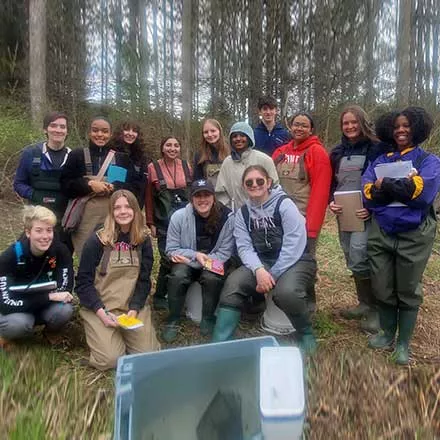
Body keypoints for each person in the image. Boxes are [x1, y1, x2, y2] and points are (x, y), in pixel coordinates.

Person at [362, 107, 440, 365]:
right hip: (382, 232)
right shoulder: (380, 160)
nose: (400, 130)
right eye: (396, 126)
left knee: (407, 289)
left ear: (417, 128)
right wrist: (401, 187)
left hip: (414, 235)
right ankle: (386, 334)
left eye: (406, 125)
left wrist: (386, 186)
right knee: (382, 286)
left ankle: (403, 343)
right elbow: (368, 195)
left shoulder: (428, 161)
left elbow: (421, 197)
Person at [212, 165, 317, 355]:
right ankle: (220, 342)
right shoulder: (242, 214)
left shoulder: (284, 204)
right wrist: (259, 270)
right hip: (262, 262)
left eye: (260, 181)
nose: (255, 185)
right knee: (234, 283)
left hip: (296, 260)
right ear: (244, 186)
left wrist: (272, 274)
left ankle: (306, 333)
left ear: (268, 182)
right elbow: (244, 246)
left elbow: (295, 242)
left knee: (286, 293)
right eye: (249, 182)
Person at [76, 190, 160, 370]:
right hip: (101, 308)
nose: (123, 211)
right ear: (111, 212)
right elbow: (83, 284)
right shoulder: (96, 241)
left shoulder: (143, 240)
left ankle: (126, 338)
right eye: (117, 207)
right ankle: (102, 336)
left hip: (131, 309)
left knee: (149, 356)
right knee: (111, 360)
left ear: (136, 210)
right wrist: (101, 312)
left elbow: (144, 280)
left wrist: (135, 308)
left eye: (128, 207)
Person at [329, 105, 384, 333]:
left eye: (354, 122)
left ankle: (375, 310)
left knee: (362, 255)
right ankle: (363, 303)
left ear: (362, 123)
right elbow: (331, 184)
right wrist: (330, 202)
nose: (350, 127)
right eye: (345, 123)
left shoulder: (376, 148)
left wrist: (371, 207)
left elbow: (382, 181)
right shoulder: (336, 152)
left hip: (365, 213)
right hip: (344, 212)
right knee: (350, 254)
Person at [161, 179, 234, 342]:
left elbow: (225, 252)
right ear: (191, 199)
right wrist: (195, 256)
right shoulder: (178, 217)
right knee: (178, 276)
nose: (202, 200)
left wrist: (200, 262)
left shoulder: (228, 218)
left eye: (206, 195)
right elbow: (171, 249)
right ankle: (173, 318)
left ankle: (207, 317)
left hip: (212, 262)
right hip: (188, 262)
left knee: (212, 277)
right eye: (197, 196)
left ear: (213, 197)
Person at [272, 112, 331, 312]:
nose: (299, 128)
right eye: (296, 124)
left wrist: (311, 227)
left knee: (305, 260)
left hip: (304, 219)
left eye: (304, 126)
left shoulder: (317, 153)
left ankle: (308, 302)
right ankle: (280, 301)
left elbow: (320, 192)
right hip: (279, 219)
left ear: (311, 129)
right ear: (290, 127)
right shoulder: (280, 151)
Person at [61, 116, 138, 261]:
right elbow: (65, 185)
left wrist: (115, 187)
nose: (100, 135)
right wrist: (88, 185)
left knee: (111, 255)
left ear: (110, 134)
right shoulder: (76, 155)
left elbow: (131, 187)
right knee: (86, 255)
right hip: (85, 217)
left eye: (104, 131)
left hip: (113, 215)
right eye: (95, 131)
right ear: (89, 133)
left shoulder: (122, 158)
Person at [0, 206, 74, 349]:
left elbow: (65, 288)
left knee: (64, 309)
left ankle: (50, 332)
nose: (45, 236)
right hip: (15, 308)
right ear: (28, 232)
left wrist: (49, 299)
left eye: (49, 230)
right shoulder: (9, 257)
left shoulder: (61, 251)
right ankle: (6, 335)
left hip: (42, 305)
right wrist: (48, 298)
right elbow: (5, 303)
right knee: (19, 324)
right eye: (39, 230)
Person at [14, 111, 73, 252]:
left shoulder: (74, 156)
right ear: (45, 129)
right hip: (36, 221)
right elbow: (18, 183)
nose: (58, 130)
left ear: (67, 131)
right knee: (21, 254)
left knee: (61, 259)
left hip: (64, 223)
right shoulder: (31, 154)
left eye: (62, 127)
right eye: (53, 125)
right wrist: (33, 194)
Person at [145, 136, 193, 310]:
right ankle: (159, 295)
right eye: (168, 145)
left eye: (176, 145)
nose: (172, 148)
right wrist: (150, 222)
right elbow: (149, 197)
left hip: (185, 222)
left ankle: (180, 294)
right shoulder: (153, 167)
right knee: (167, 259)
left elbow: (193, 195)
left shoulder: (187, 166)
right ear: (162, 148)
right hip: (163, 222)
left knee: (185, 258)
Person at [216, 121, 279, 212]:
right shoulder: (227, 163)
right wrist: (231, 210)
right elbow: (220, 193)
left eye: (242, 135)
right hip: (236, 215)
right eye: (234, 136)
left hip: (265, 215)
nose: (238, 139)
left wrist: (268, 209)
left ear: (249, 138)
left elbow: (275, 187)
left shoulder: (265, 159)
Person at [110, 121, 150, 208]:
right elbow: (116, 183)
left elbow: (143, 184)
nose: (131, 134)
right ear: (120, 132)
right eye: (127, 130)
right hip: (116, 204)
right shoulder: (112, 153)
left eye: (134, 131)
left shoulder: (141, 156)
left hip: (136, 205)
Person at [193, 119, 229, 186]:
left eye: (213, 131)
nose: (209, 134)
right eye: (206, 132)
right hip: (208, 194)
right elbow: (197, 180)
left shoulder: (230, 151)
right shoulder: (199, 155)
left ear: (219, 131)